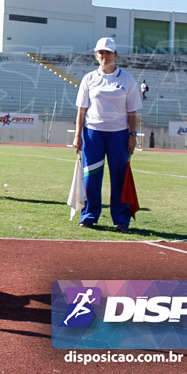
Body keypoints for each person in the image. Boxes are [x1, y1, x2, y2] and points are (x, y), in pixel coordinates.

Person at [72, 37, 142, 232]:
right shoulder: (89, 79)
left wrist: (132, 135)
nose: (105, 56)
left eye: (108, 52)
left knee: (119, 176)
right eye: (101, 52)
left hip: (118, 134)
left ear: (116, 55)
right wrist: (78, 136)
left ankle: (121, 219)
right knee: (91, 176)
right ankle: (89, 215)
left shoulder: (127, 79)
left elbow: (132, 112)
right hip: (93, 133)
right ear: (96, 55)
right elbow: (81, 111)